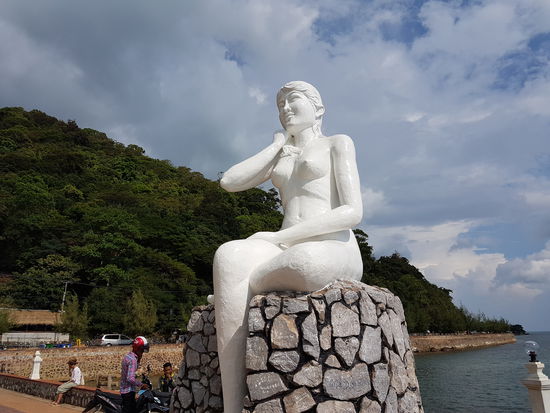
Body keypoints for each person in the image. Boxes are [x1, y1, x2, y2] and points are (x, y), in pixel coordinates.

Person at [213, 81, 363, 413]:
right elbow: (230, 182)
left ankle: (238, 289)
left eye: (293, 100)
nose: (285, 109)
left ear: (318, 108)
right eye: (280, 105)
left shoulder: (337, 143)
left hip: (330, 243)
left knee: (302, 262)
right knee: (228, 255)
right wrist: (276, 146)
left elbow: (352, 212)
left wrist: (282, 238)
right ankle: (232, 406)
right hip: (282, 244)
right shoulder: (283, 154)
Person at [120, 336, 150, 413]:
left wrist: (138, 359)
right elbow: (130, 378)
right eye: (142, 350)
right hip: (128, 392)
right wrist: (141, 385)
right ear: (138, 348)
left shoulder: (128, 356)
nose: (142, 352)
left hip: (123, 389)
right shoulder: (133, 360)